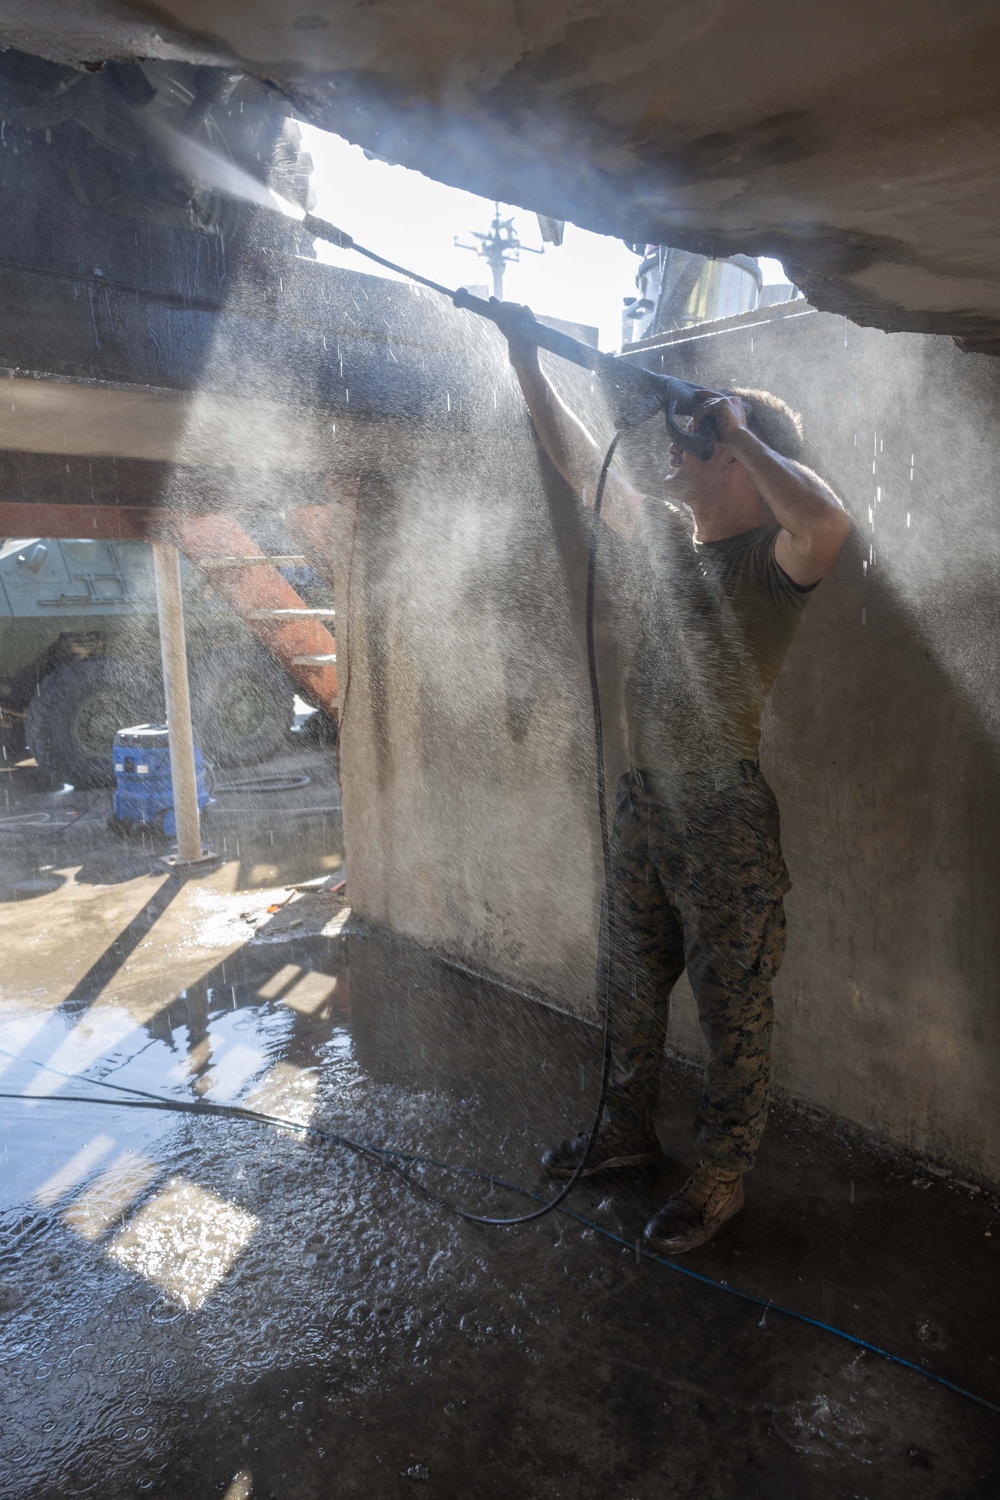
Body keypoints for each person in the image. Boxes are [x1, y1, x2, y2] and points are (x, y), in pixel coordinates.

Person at [494, 301, 851, 1253]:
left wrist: (735, 423)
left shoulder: (772, 565)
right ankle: (621, 1135)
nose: (670, 456)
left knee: (733, 1004)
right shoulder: (669, 545)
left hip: (722, 813)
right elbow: (579, 465)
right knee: (628, 982)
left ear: (733, 459)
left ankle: (720, 1179)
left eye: (692, 447)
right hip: (646, 801)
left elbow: (825, 520)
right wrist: (525, 355)